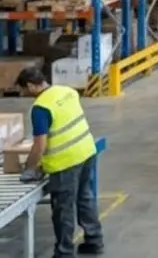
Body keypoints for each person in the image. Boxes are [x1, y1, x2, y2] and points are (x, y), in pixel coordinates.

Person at [16, 67, 104, 257]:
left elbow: (40, 144)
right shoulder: (68, 91)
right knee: (86, 198)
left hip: (65, 163)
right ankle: (94, 241)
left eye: (24, 90)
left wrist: (30, 167)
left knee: (63, 209)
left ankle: (64, 252)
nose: (24, 94)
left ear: (31, 86)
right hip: (87, 151)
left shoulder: (40, 108)